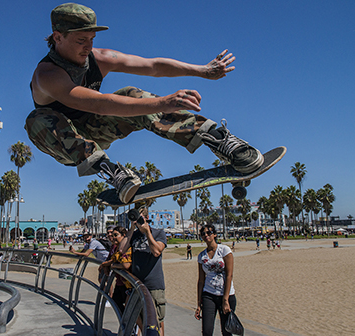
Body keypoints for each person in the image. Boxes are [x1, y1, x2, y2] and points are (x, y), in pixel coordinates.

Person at [25, 3, 264, 204]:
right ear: (58, 37)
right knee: (38, 120)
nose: (88, 47)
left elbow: (153, 66)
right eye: (81, 40)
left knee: (132, 93)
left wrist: (202, 70)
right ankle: (112, 172)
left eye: (91, 39)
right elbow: (100, 104)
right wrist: (164, 102)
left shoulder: (99, 58)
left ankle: (217, 137)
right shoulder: (47, 75)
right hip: (64, 140)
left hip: (97, 128)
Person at [124, 207, 167, 336]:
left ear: (147, 218)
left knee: (156, 323)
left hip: (154, 285)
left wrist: (148, 233)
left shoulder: (159, 233)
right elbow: (122, 249)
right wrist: (131, 229)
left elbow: (156, 251)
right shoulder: (134, 235)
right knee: (139, 318)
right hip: (137, 284)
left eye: (141, 217)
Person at [195, 224, 237, 336]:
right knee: (207, 331)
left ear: (214, 235)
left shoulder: (224, 250)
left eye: (208, 233)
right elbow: (201, 280)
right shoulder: (201, 256)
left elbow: (229, 275)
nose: (206, 235)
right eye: (203, 234)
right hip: (209, 295)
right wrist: (199, 304)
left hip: (226, 295)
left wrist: (225, 300)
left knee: (226, 331)